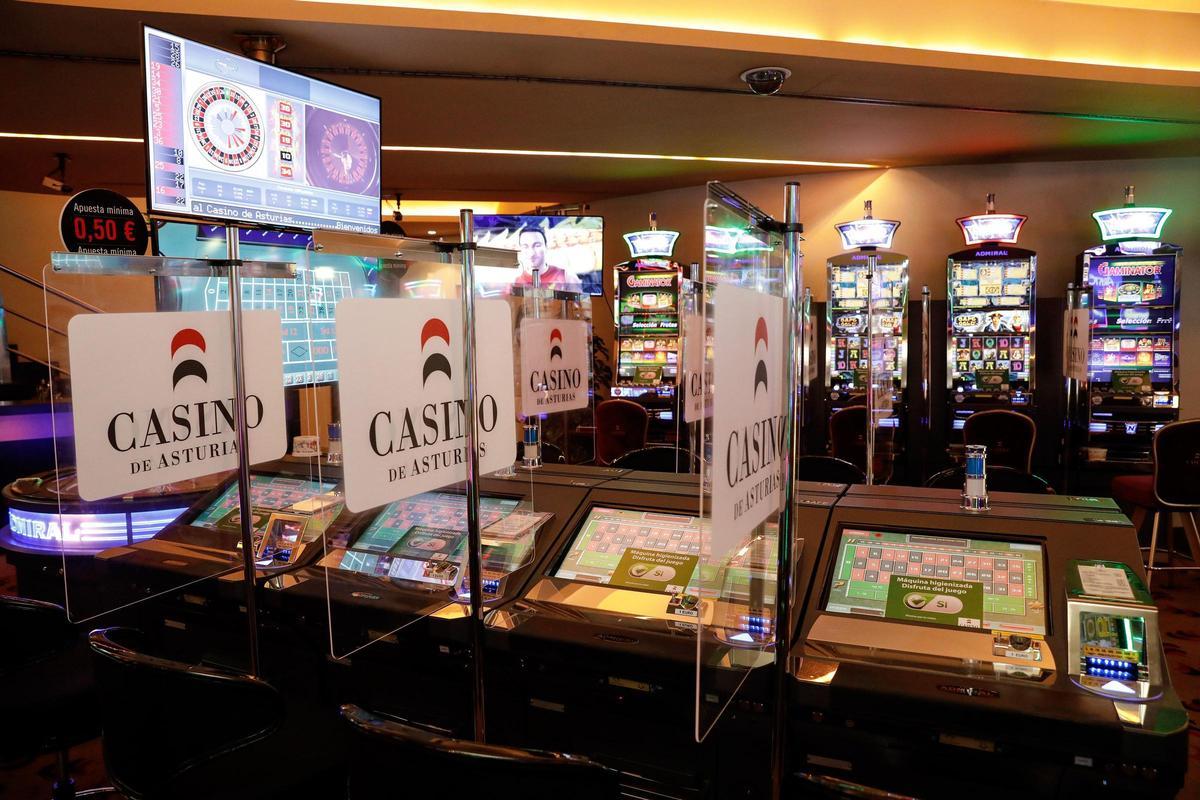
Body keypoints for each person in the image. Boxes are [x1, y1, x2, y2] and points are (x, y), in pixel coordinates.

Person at [512, 227, 581, 292]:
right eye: (525, 247)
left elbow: (584, 303)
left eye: (537, 245)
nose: (531, 253)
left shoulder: (566, 276)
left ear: (546, 247)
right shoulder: (515, 283)